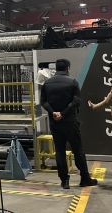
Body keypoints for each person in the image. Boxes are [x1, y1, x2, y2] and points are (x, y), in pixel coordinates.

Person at [40, 58, 98, 190]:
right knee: (78, 150)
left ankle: (64, 180)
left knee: (60, 151)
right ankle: (85, 179)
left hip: (55, 123)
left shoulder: (47, 83)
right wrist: (64, 113)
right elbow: (76, 101)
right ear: (67, 68)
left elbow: (43, 102)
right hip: (70, 122)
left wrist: (54, 112)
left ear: (56, 68)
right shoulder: (72, 82)